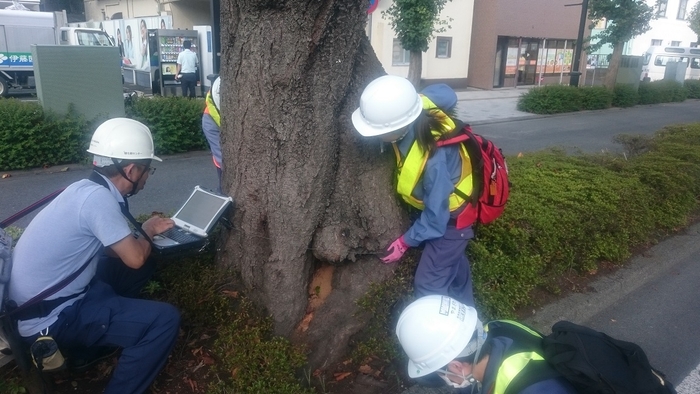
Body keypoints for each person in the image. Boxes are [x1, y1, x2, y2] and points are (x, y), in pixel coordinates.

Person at [8, 118, 181, 394]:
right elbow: (134, 257)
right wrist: (148, 228)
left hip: (36, 306)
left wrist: (141, 241)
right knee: (164, 320)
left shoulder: (83, 189)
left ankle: (90, 347)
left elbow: (114, 250)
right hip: (51, 320)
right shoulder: (97, 200)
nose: (148, 176)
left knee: (135, 268)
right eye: (149, 170)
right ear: (132, 170)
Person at [351, 75, 476, 306]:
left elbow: (437, 218)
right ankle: (468, 311)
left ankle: (447, 335)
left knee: (429, 284)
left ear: (399, 126)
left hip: (452, 224)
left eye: (379, 131)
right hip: (449, 217)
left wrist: (405, 242)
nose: (376, 136)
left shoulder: (433, 160)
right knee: (454, 270)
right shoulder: (415, 105)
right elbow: (446, 92)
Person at [396, 295, 577, 393]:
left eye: (442, 374)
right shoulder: (498, 329)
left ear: (456, 366)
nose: (446, 381)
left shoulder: (533, 388)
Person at [202, 77, 223, 192]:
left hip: (218, 119)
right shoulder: (217, 89)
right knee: (221, 159)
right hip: (211, 121)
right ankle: (222, 190)